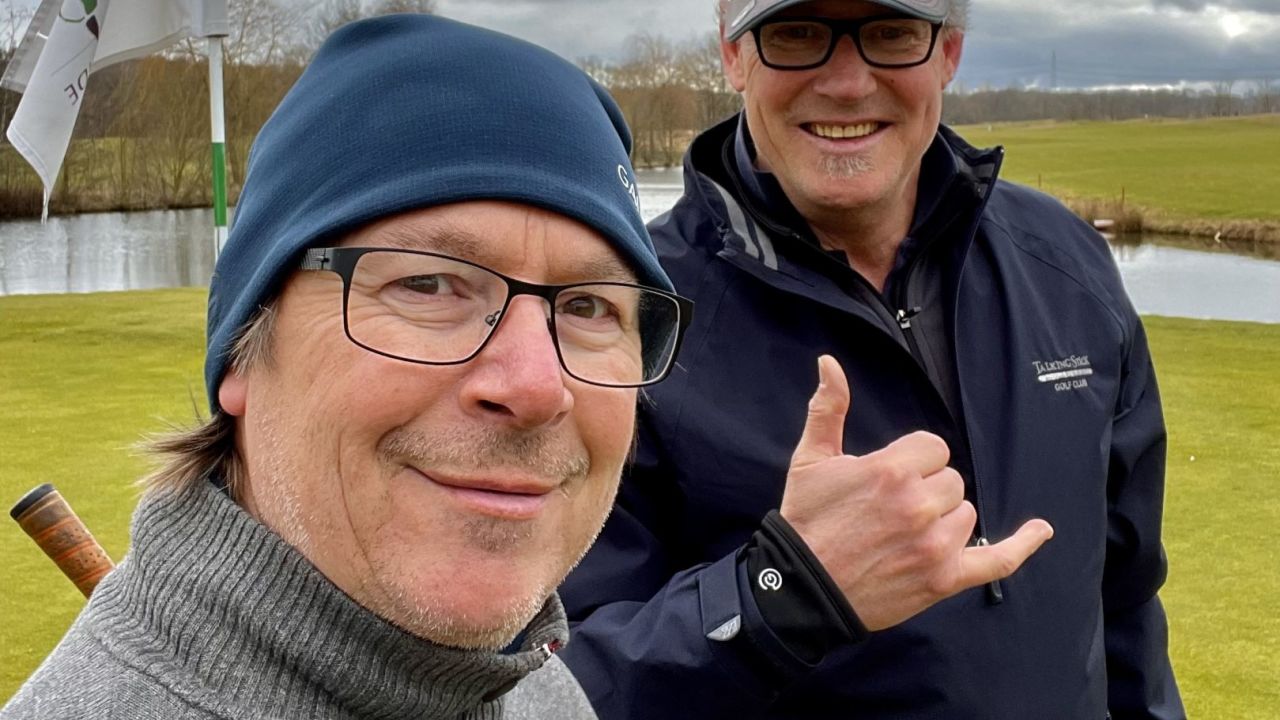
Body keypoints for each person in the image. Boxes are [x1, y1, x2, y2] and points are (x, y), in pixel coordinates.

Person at [1, 15, 692, 720]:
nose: (538, 386)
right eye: (427, 284)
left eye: (587, 306)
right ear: (246, 343)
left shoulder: (539, 688)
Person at [560, 0, 1185, 718]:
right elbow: (562, 688)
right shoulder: (628, 316)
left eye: (891, 33)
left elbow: (1127, 598)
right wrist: (780, 594)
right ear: (733, 55)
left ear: (948, 51)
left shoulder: (1068, 265)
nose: (848, 83)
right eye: (798, 33)